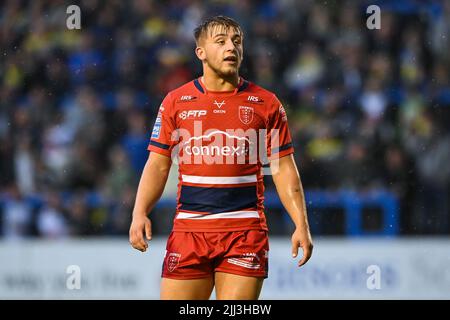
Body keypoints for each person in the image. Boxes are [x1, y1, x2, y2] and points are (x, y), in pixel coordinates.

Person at [129, 15, 313, 300]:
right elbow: (158, 163)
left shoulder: (267, 104)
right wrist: (140, 212)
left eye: (237, 41)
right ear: (200, 52)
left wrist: (301, 224)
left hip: (244, 232)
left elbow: (283, 168)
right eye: (221, 41)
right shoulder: (176, 102)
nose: (232, 47)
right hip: (190, 230)